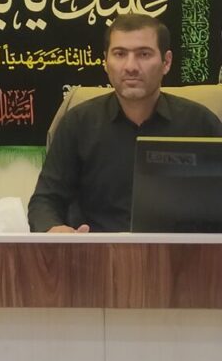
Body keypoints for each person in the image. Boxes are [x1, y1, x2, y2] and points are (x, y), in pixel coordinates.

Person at [28, 13, 222, 233]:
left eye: (144, 54)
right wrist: (55, 229)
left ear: (166, 62)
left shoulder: (200, 123)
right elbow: (45, 200)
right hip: (99, 250)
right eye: (120, 54)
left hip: (181, 251)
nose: (131, 66)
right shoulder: (79, 123)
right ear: (105, 62)